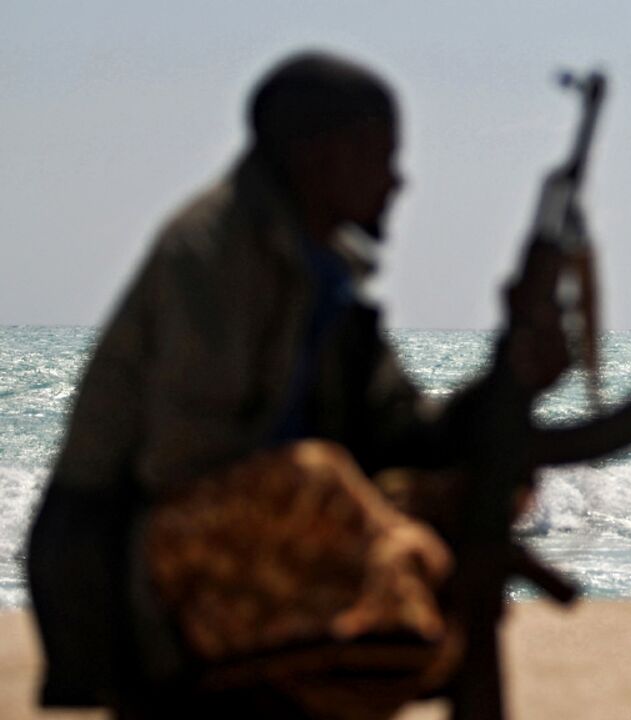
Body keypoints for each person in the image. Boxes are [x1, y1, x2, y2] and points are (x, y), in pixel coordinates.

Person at [26, 50, 570, 719]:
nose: (397, 181)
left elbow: (402, 430)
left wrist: (509, 377)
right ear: (321, 157)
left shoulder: (330, 279)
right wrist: (363, 513)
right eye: (380, 156)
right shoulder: (213, 254)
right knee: (316, 476)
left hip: (250, 525)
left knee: (482, 486)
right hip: (129, 555)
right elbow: (182, 465)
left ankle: (405, 609)